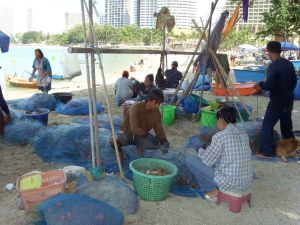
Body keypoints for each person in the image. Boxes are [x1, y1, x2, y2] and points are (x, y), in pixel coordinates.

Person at [185, 106, 253, 200]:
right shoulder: (243, 133)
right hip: (246, 182)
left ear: (220, 119)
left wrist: (199, 148)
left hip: (230, 183)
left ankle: (211, 189)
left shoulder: (220, 136)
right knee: (215, 161)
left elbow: (206, 161)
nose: (217, 124)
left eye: (217, 121)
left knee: (189, 160)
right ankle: (217, 188)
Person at [254, 41, 297, 157]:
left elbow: (269, 85)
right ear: (280, 51)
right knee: (286, 126)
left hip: (277, 101)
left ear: (268, 51)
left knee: (267, 125)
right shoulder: (289, 64)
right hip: (288, 99)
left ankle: (266, 151)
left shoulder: (273, 66)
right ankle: (293, 148)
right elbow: (294, 82)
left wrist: (260, 85)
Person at [112, 88, 169, 157]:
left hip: (141, 137)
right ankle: (120, 151)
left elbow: (159, 129)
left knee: (156, 143)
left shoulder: (157, 113)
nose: (157, 106)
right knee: (113, 142)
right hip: (128, 133)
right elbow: (134, 128)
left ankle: (139, 146)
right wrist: (148, 136)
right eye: (155, 103)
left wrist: (164, 141)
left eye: (159, 103)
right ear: (148, 100)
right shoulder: (136, 107)